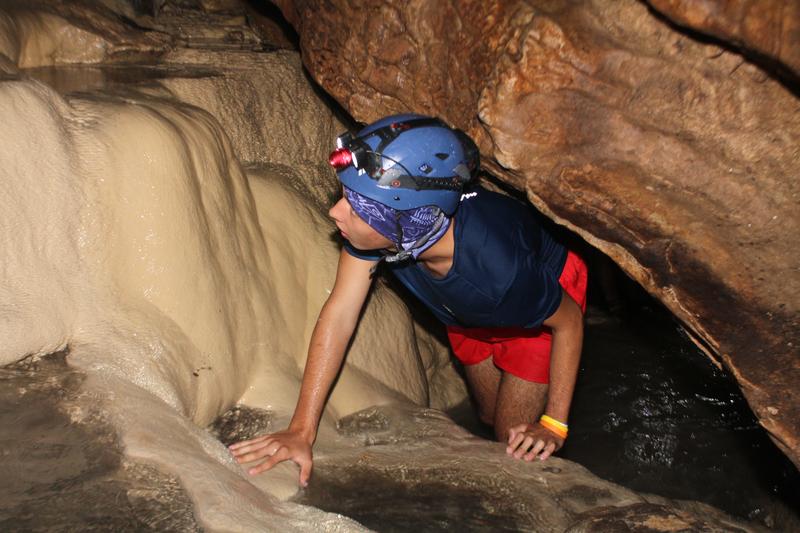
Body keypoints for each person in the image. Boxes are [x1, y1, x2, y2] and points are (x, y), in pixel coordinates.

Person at [229, 114, 587, 487]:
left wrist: (554, 425)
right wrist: (301, 431)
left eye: (357, 207)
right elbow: (339, 316)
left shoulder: (501, 270)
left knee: (512, 441)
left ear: (407, 224)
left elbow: (570, 321)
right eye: (345, 197)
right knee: (486, 411)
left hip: (539, 306)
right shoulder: (392, 232)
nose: (335, 212)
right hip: (467, 309)